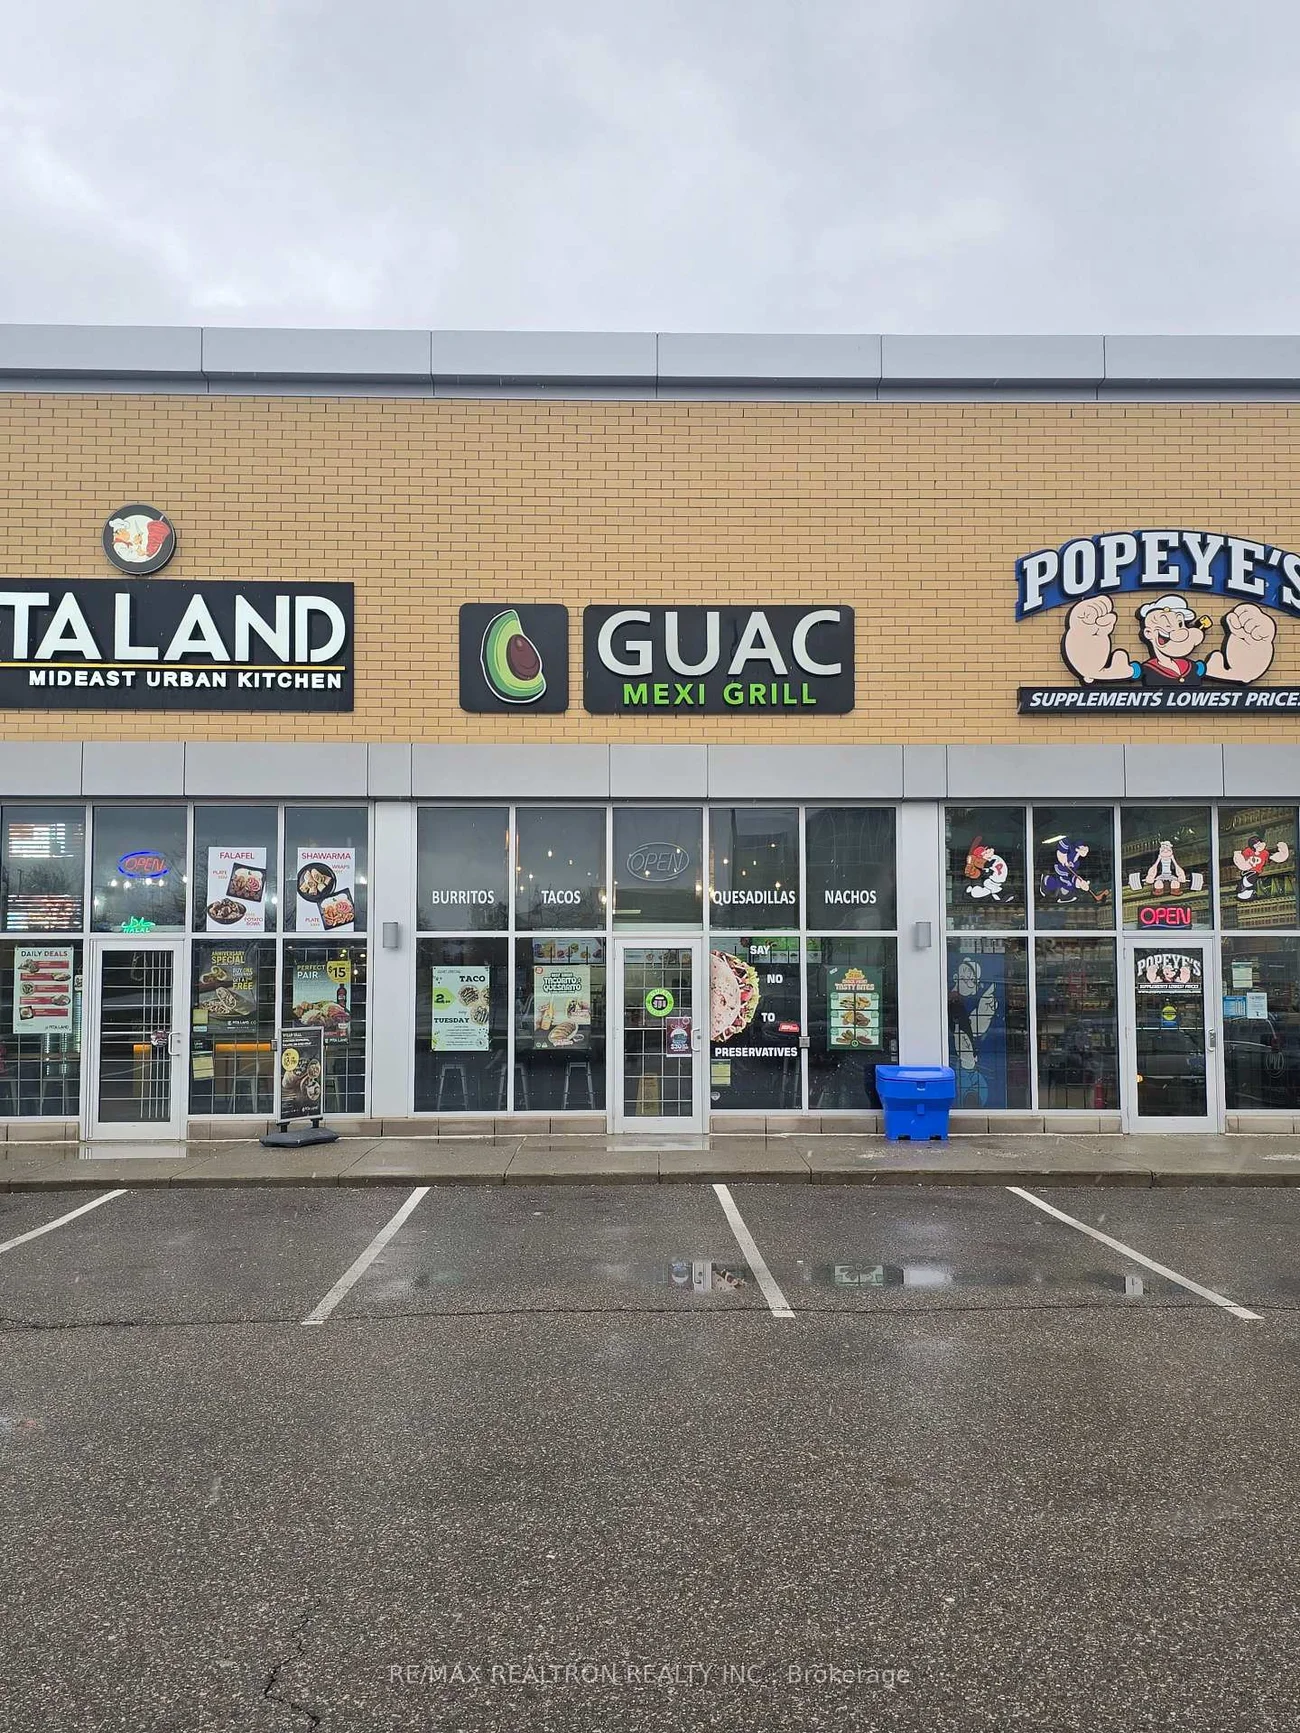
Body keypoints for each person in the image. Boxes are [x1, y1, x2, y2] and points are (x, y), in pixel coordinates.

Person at [1063, 592, 1276, 687]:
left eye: (1181, 624)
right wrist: (1089, 663)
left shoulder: (1195, 668)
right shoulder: (1145, 670)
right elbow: (1113, 673)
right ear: (1149, 634)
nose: (1179, 632)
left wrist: (1248, 661)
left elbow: (1234, 674)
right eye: (1167, 627)